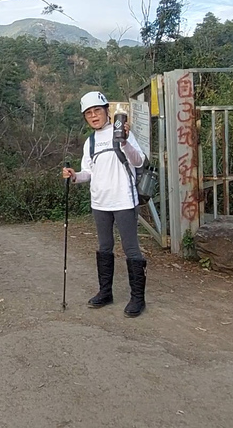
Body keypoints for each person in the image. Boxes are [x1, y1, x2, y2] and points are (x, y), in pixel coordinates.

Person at [61, 91, 149, 317]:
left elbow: (138, 160)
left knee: (131, 249)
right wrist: (73, 175)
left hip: (124, 200)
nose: (93, 116)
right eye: (88, 113)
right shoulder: (90, 142)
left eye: (97, 111)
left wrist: (126, 142)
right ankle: (105, 292)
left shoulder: (123, 133)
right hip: (99, 202)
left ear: (106, 111)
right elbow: (88, 173)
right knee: (104, 247)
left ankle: (138, 299)